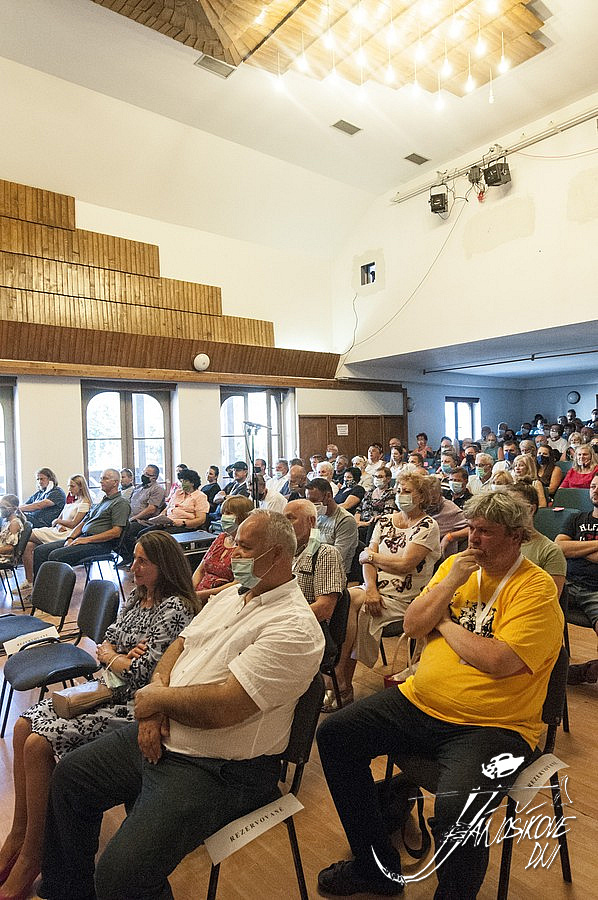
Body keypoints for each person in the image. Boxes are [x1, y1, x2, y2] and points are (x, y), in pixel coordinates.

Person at [38, 510, 325, 900]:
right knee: (70, 778)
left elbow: (227, 706)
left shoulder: (294, 627)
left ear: (277, 555)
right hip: (166, 730)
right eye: (234, 542)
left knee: (121, 877)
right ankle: (69, 890)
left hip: (220, 769)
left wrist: (154, 699)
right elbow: (179, 646)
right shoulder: (230, 597)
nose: (232, 552)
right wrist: (154, 708)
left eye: (244, 546)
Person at [316, 490, 563, 899]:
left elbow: (497, 660)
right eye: (472, 528)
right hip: (419, 702)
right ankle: (375, 868)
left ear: (517, 536)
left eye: (486, 532)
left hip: (494, 727)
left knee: (457, 807)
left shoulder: (535, 589)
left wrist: (445, 624)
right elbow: (413, 625)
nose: (474, 539)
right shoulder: (455, 567)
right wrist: (449, 583)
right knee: (335, 735)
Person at [0, 531, 200, 900]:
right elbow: (105, 642)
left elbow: (144, 674)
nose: (133, 567)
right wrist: (117, 656)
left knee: (37, 744)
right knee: (22, 726)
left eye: (143, 561)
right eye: (134, 558)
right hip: (106, 688)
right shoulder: (139, 596)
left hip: (134, 706)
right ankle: (19, 835)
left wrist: (116, 657)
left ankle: (32, 854)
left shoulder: (176, 609)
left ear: (164, 566)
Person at [330, 472, 440, 705]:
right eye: (399, 491)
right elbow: (367, 562)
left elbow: (405, 564)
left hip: (408, 597)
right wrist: (371, 588)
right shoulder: (384, 521)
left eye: (407, 491)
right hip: (374, 589)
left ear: (421, 496)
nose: (401, 495)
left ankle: (341, 679)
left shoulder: (428, 526)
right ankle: (341, 678)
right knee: (345, 599)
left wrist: (372, 557)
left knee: (358, 609)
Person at [285, 499, 346, 701]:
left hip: (309, 631)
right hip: (286, 623)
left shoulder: (325, 553)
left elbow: (324, 608)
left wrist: (280, 619)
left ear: (311, 521)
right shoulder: (287, 553)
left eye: (290, 519)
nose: (285, 524)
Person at [32, 469, 130, 579]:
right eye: (101, 478)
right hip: (83, 538)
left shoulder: (120, 503)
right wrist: (70, 538)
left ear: (115, 482)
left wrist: (87, 539)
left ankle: (55, 590)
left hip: (100, 544)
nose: (101, 481)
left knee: (55, 556)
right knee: (40, 551)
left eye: (105, 478)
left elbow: (116, 532)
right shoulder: (102, 502)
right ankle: (39, 588)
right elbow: (82, 523)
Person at [17, 475, 93, 596]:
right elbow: (57, 520)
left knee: (25, 534)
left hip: (68, 534)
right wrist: (58, 524)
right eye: (69, 486)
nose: (69, 489)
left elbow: (75, 524)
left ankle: (10, 554)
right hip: (58, 530)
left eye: (72, 486)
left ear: (80, 487)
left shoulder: (84, 503)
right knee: (28, 545)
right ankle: (30, 581)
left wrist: (58, 522)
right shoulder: (71, 501)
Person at [555, 473, 598, 684]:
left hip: (596, 590)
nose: (595, 490)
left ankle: (585, 671)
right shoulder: (576, 518)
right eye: (593, 486)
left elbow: (569, 548)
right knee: (534, 610)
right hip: (568, 583)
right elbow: (559, 547)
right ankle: (548, 668)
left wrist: (576, 550)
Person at [507, 481, 566, 597]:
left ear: (531, 509)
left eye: (514, 506)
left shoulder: (550, 551)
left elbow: (549, 600)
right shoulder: (496, 543)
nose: (508, 511)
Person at [192, 495, 254, 605]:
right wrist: (191, 591)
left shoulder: (247, 546)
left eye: (229, 513)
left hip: (221, 599)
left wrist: (201, 595)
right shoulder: (221, 538)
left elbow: (237, 583)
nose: (224, 517)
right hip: (198, 595)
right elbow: (200, 570)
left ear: (242, 516)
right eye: (223, 513)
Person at [305, 477, 358, 574]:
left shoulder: (346, 520)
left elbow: (337, 557)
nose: (311, 505)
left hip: (334, 572)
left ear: (328, 496)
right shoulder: (316, 516)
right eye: (309, 501)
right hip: (313, 567)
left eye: (314, 500)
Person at [146, 468, 208, 532]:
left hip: (184, 526)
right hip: (167, 523)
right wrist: (159, 518)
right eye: (181, 481)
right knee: (143, 533)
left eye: (185, 481)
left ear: (192, 483)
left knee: (157, 536)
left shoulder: (200, 496)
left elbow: (201, 519)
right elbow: (166, 509)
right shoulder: (178, 492)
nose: (182, 484)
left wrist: (183, 523)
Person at [355, 466, 396, 540]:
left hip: (374, 526)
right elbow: (359, 509)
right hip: (361, 524)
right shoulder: (369, 492)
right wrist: (357, 522)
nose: (377, 479)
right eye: (375, 476)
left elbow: (387, 513)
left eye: (380, 476)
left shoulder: (390, 494)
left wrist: (366, 523)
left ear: (388, 479)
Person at [0, 494, 25, 572]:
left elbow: (10, 548)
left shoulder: (14, 524)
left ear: (13, 508)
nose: (1, 510)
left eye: (3, 508)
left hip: (5, 558)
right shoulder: (6, 521)